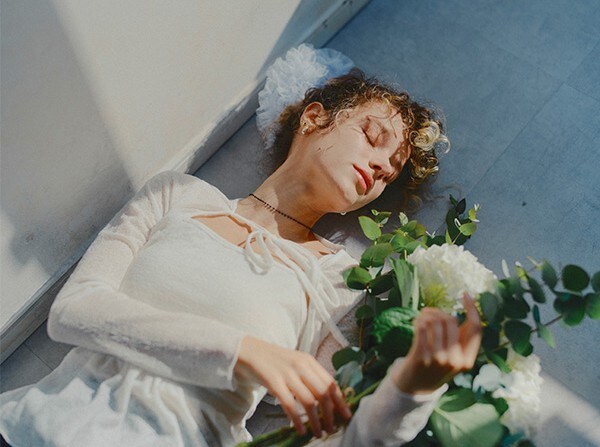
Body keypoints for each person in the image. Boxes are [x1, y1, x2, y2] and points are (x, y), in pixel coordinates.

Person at [0, 45, 481, 447]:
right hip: (28, 428)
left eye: (389, 174)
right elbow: (75, 311)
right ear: (314, 118)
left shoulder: (338, 282)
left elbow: (334, 435)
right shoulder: (177, 194)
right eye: (372, 137)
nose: (378, 169)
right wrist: (243, 351)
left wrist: (412, 392)